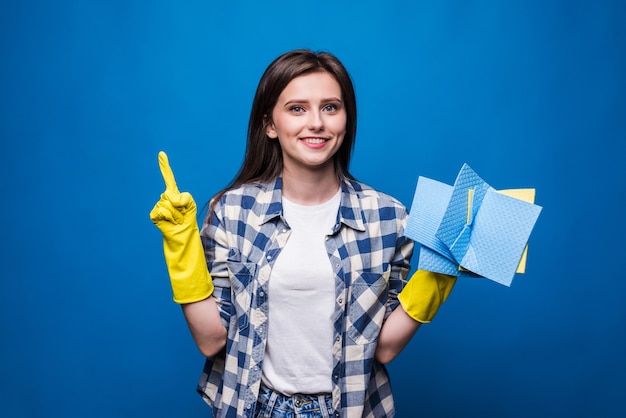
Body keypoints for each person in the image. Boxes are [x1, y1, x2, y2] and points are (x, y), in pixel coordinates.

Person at [150, 49, 456, 418]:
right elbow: (211, 339)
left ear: (346, 119)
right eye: (297, 108)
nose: (316, 123)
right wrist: (181, 244)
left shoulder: (389, 217)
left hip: (350, 409)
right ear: (270, 124)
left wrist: (442, 271)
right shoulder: (232, 210)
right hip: (257, 408)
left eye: (330, 107)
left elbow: (385, 348)